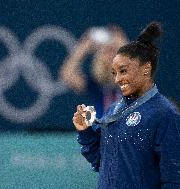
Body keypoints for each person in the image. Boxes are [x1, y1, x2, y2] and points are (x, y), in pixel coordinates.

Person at [72, 22, 180, 188]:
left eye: (123, 71)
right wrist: (85, 131)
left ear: (146, 70)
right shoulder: (113, 111)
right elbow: (101, 159)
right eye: (115, 73)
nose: (117, 79)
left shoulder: (164, 113)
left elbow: (173, 176)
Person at [60, 25, 128, 116]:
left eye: (114, 51)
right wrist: (83, 48)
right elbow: (67, 74)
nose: (111, 55)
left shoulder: (129, 82)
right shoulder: (95, 85)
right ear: (100, 57)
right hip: (101, 128)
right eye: (107, 51)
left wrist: (124, 46)